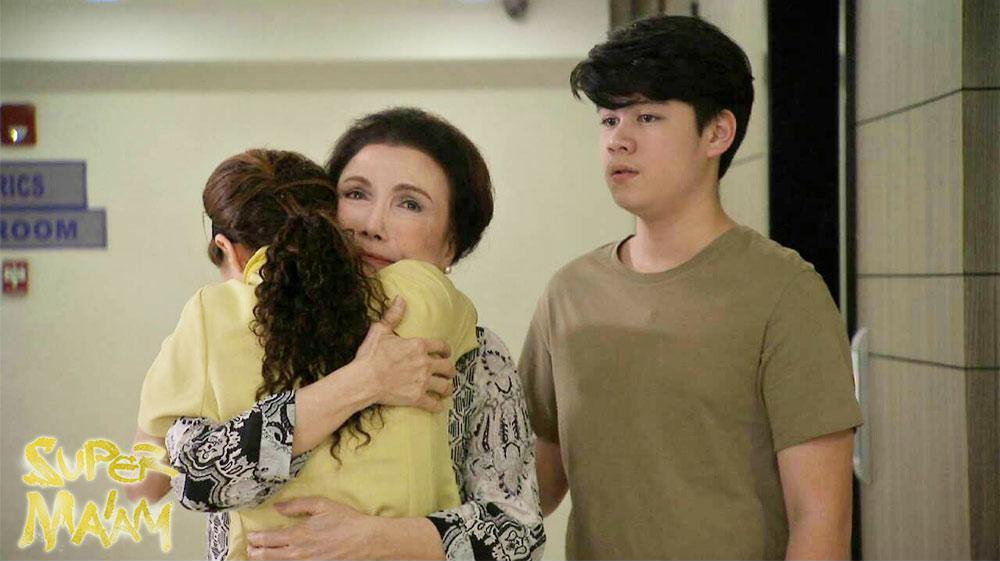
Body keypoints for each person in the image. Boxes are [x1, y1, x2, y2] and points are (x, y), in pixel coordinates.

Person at [518, 15, 863, 560]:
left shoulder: (785, 293)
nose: (618, 140)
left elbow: (820, 522)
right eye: (609, 120)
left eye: (647, 116)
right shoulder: (569, 293)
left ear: (717, 133)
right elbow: (533, 481)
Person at [155, 108, 544, 561]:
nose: (370, 225)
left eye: (410, 204)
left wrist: (376, 539)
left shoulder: (474, 353)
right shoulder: (248, 326)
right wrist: (361, 382)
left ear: (451, 244)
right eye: (356, 194)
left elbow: (519, 534)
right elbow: (192, 478)